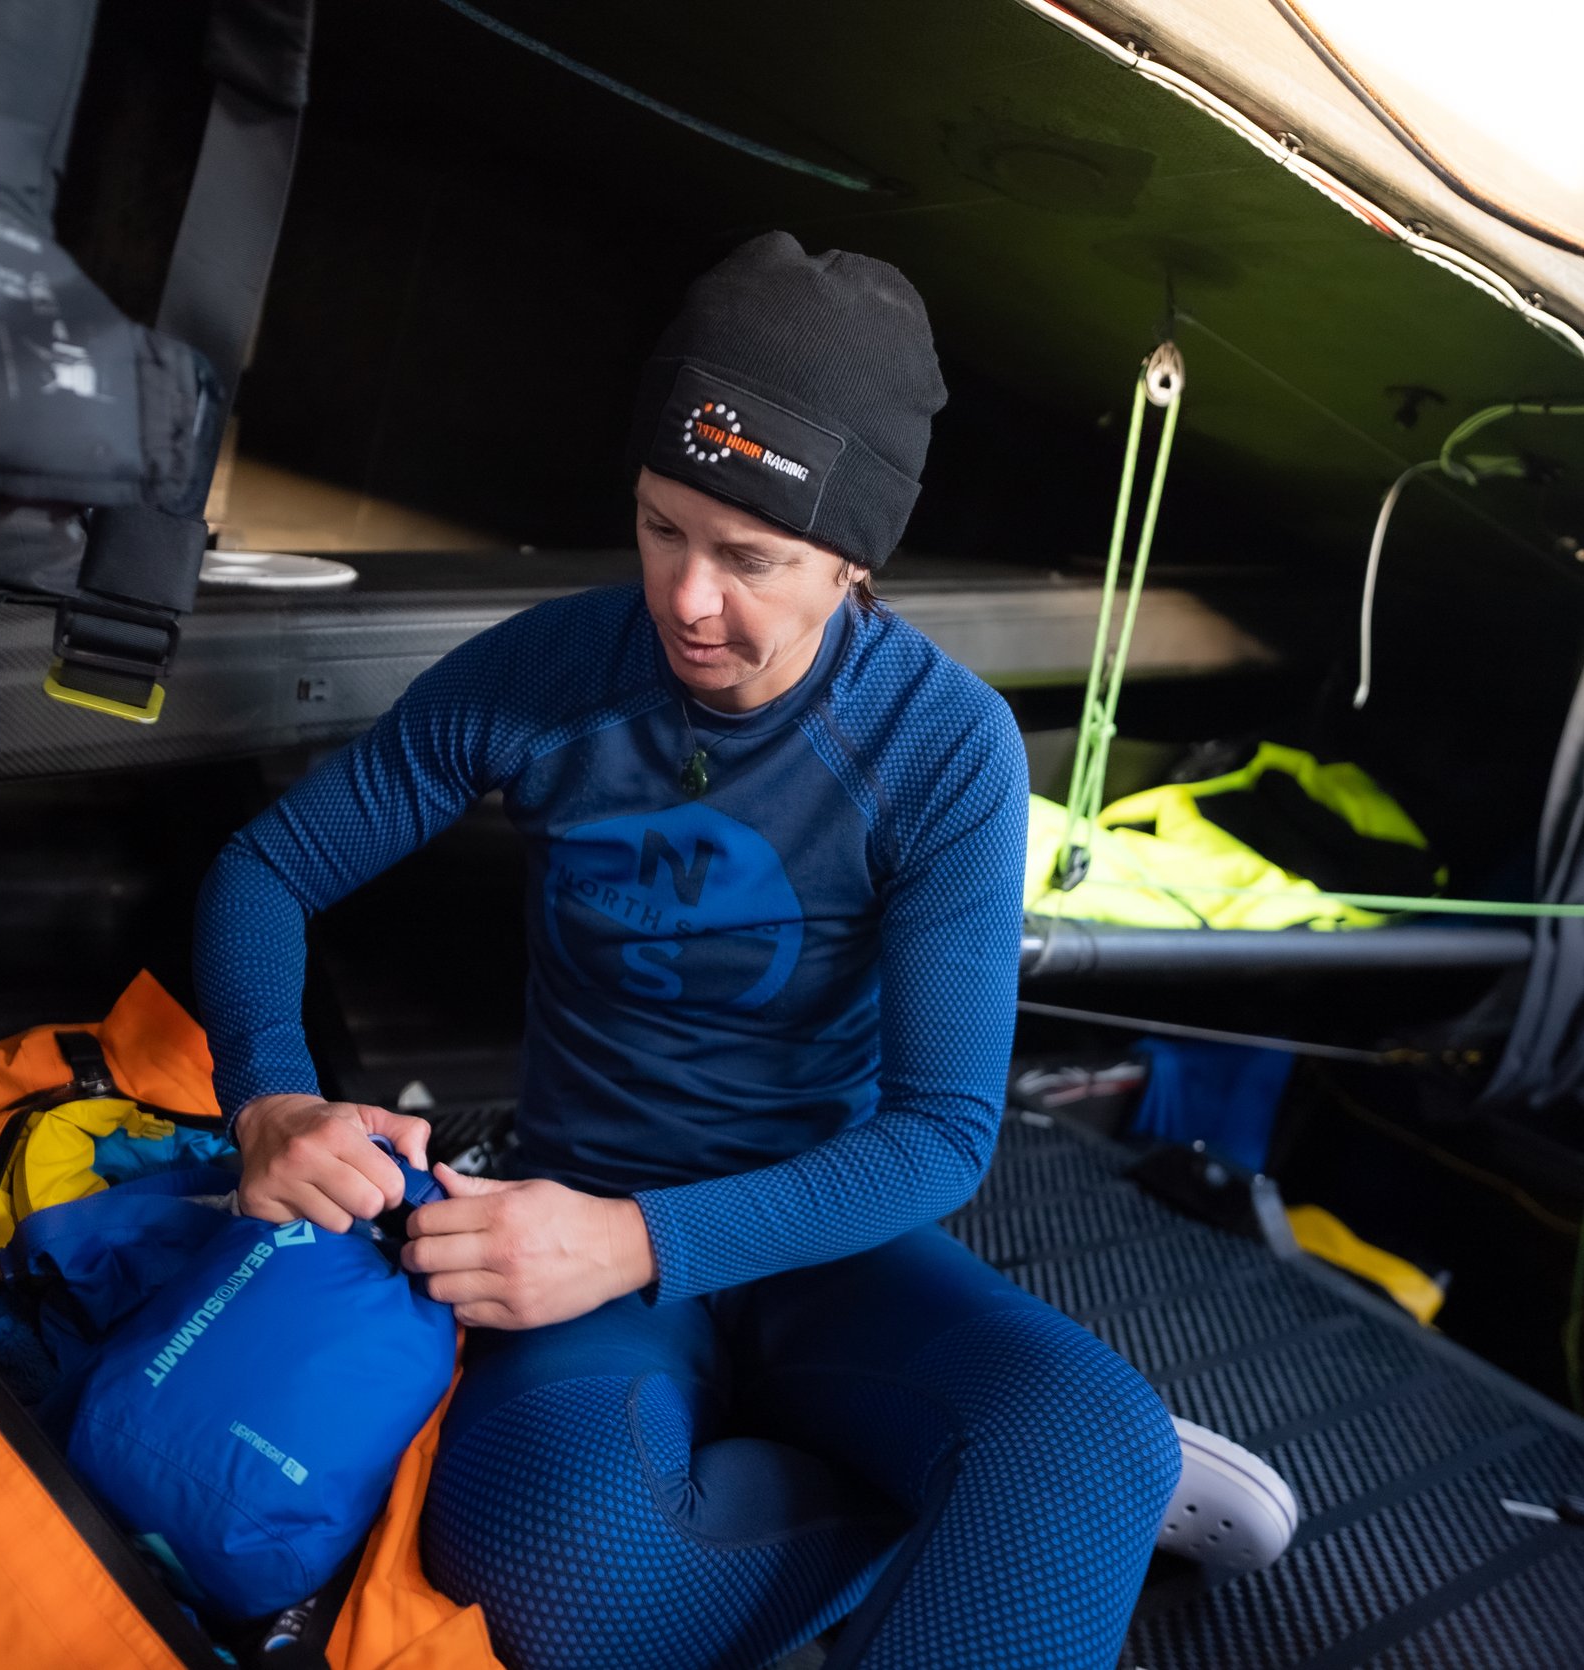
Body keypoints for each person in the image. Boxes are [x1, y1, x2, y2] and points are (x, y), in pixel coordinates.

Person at [196, 234, 1214, 1669]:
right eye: (662, 526)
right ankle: (954, 1515)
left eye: (752, 557)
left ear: (853, 558)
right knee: (558, 1574)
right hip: (570, 1228)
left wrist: (641, 1241)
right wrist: (269, 1095)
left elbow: (939, 1138)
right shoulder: (553, 669)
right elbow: (266, 868)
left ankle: (1016, 1498)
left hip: (825, 1241)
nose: (686, 596)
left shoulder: (941, 747)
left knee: (1096, 1445)